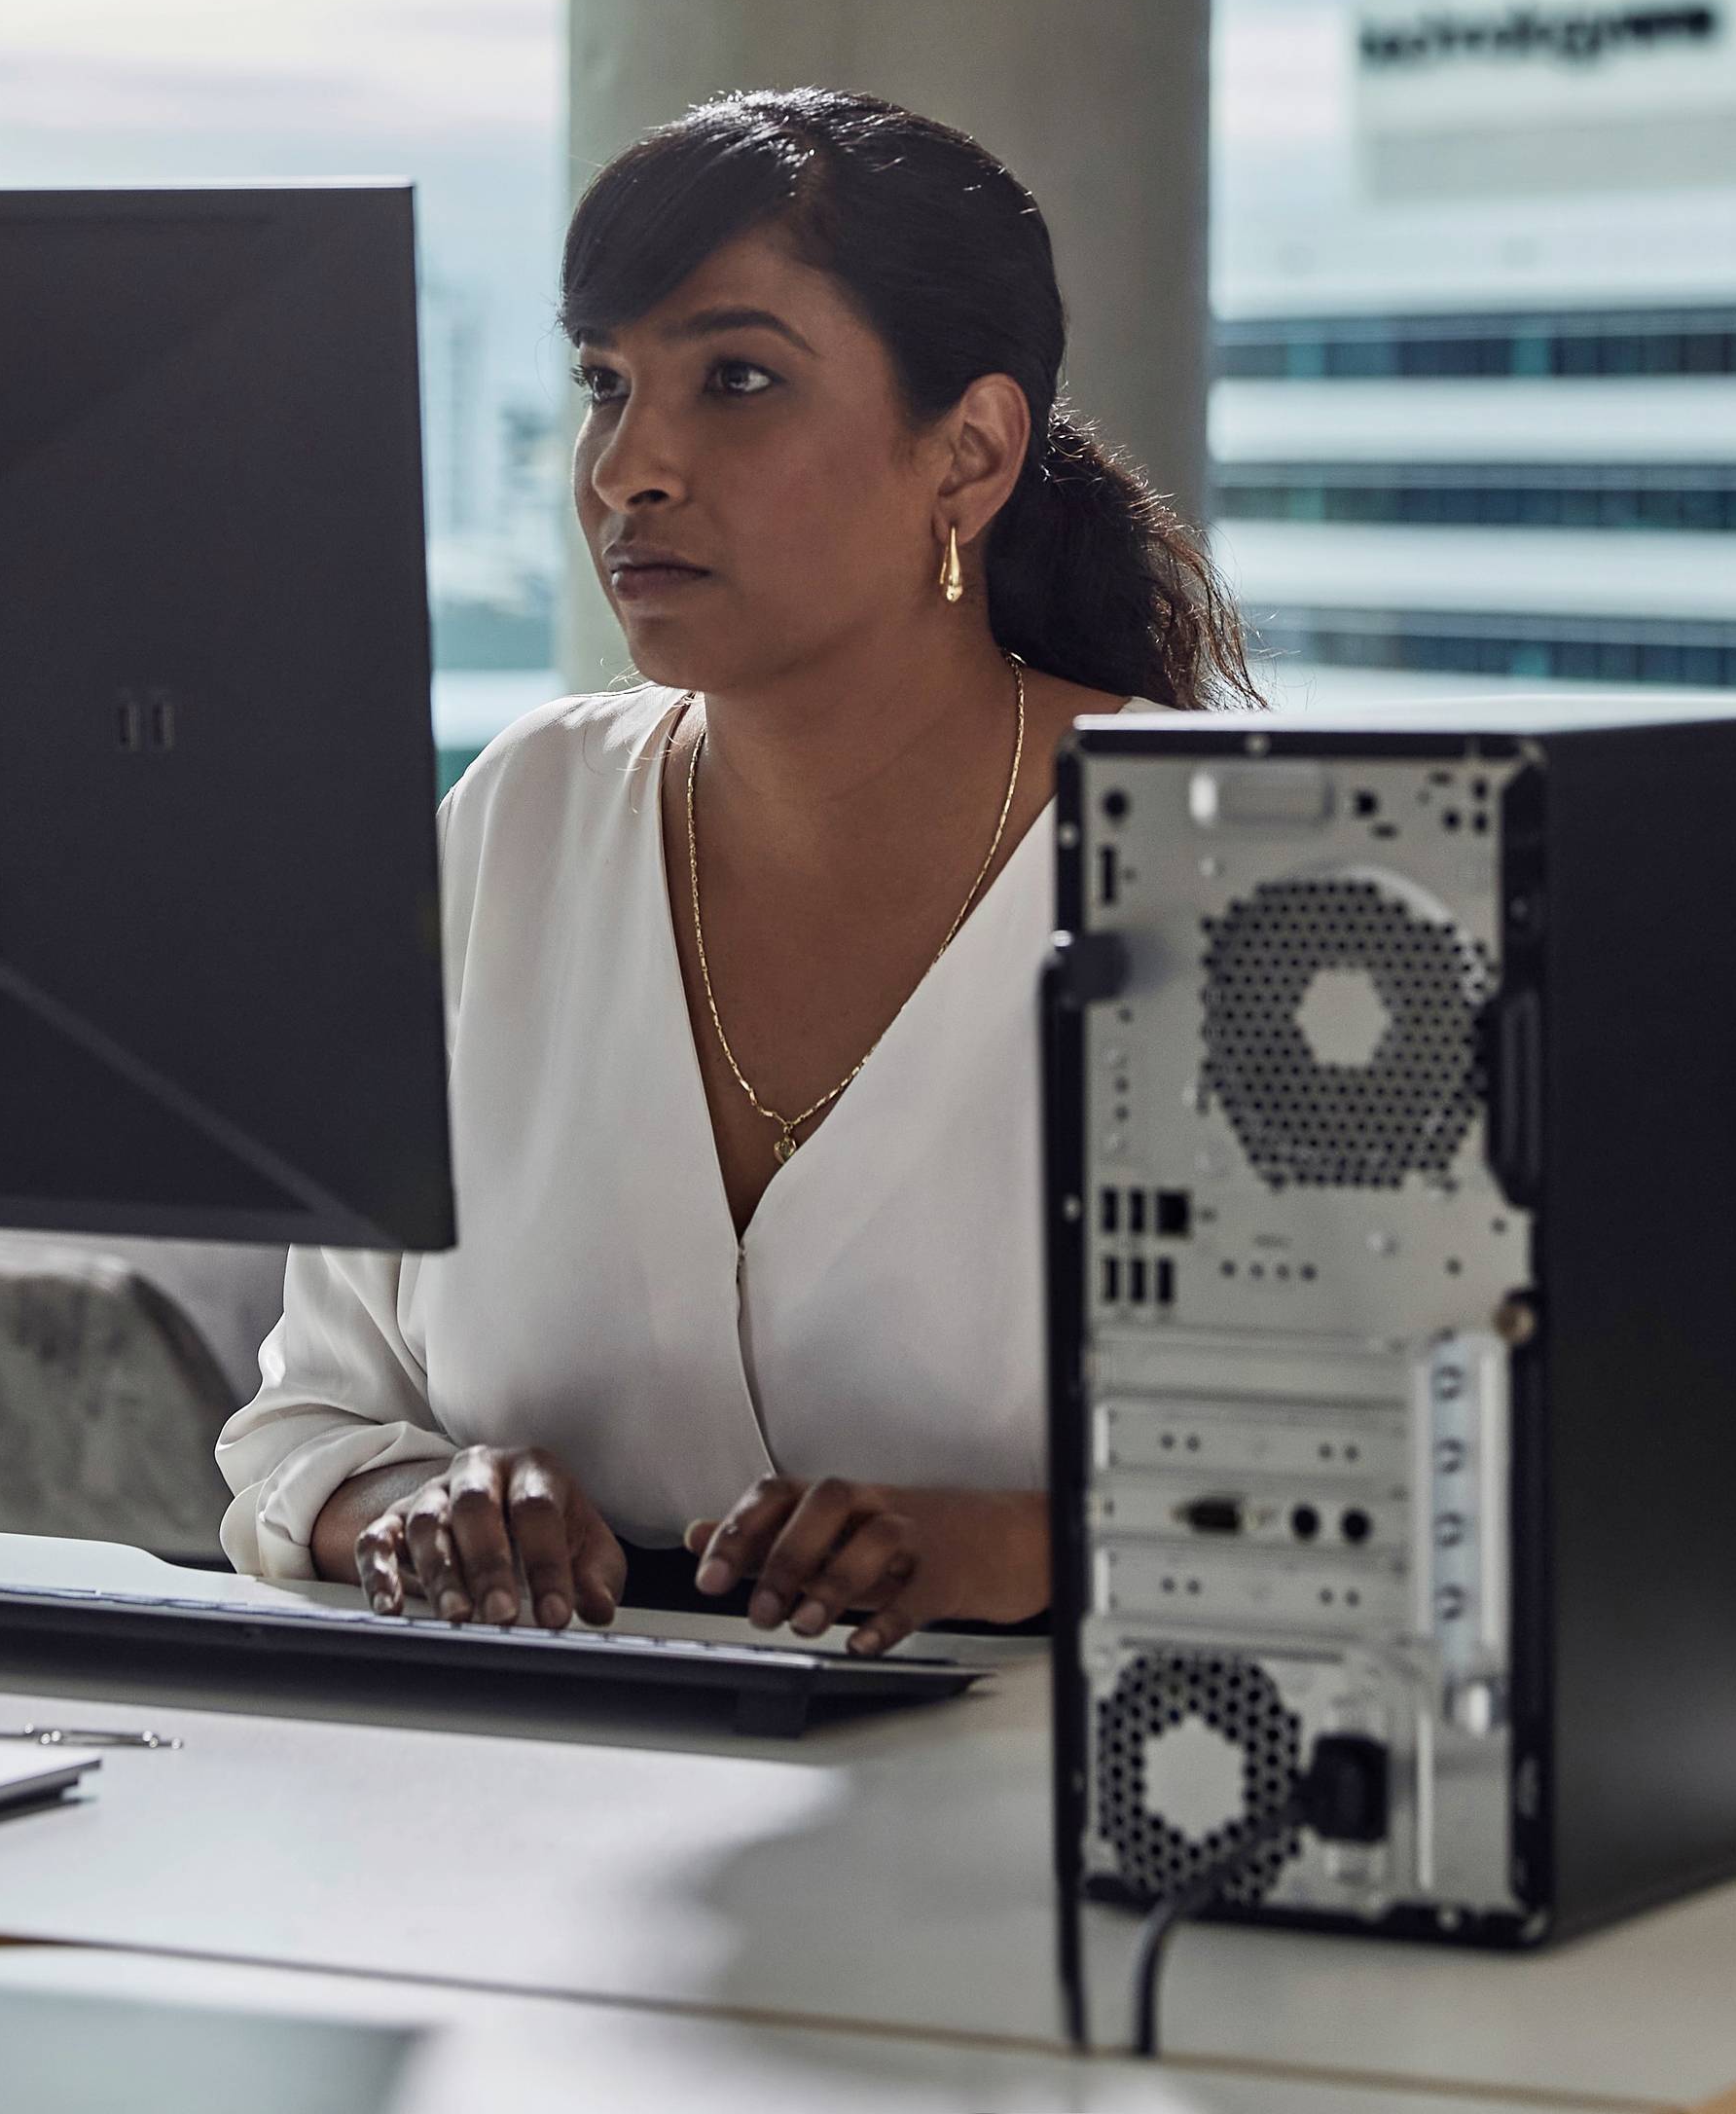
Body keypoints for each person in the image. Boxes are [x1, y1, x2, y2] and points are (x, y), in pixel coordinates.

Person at [216, 88, 1250, 1654]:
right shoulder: (521, 820)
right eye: (605, 386)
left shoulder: (1230, 880)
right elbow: (308, 1425)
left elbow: (1428, 1498)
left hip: (1057, 1834)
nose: (630, 466)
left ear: (966, 452)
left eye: (738, 380)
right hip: (531, 1816)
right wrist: (420, 1509)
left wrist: (1025, 1548)